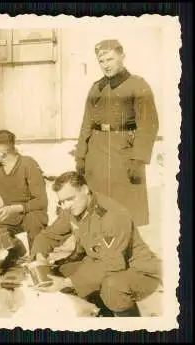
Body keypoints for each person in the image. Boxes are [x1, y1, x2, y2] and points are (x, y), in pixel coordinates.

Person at [30, 171, 162, 317]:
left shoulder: (112, 215)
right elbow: (47, 235)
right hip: (101, 262)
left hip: (138, 270)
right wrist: (40, 257)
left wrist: (67, 282)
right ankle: (103, 313)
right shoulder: (72, 209)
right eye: (62, 201)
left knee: (112, 288)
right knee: (59, 272)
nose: (66, 206)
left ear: (85, 189)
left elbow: (112, 264)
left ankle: (131, 325)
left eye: (70, 199)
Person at [74, 39, 159, 227]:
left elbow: (148, 125)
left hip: (123, 152)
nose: (106, 65)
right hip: (96, 152)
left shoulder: (138, 85)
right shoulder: (96, 87)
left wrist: (138, 159)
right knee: (98, 207)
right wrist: (80, 155)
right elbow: (86, 123)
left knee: (125, 208)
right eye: (101, 61)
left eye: (110, 60)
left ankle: (126, 252)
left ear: (122, 57)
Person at [0, 130, 49, 274]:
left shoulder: (28, 164)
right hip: (10, 215)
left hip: (32, 213)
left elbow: (41, 201)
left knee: (34, 222)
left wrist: (15, 208)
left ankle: (36, 259)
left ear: (2, 152)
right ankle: (16, 250)